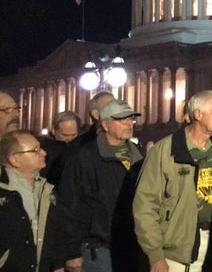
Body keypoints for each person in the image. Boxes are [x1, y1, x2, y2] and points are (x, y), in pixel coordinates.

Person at [133, 90, 212, 272]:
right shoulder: (165, 150)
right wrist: (155, 255)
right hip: (176, 253)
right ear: (198, 114)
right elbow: (145, 206)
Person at [59, 99, 144, 272]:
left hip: (134, 244)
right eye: (121, 120)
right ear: (105, 125)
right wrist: (71, 251)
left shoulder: (139, 154)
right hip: (99, 248)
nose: (128, 124)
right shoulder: (84, 157)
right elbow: (68, 204)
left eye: (131, 119)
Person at [0, 130, 64, 271]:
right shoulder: (3, 193)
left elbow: (56, 233)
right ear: (15, 159)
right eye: (36, 150)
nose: (44, 153)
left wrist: (58, 265)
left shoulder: (47, 190)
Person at [40, 110, 82, 186]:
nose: (70, 139)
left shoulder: (83, 148)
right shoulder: (44, 149)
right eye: (65, 135)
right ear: (53, 130)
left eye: (73, 135)